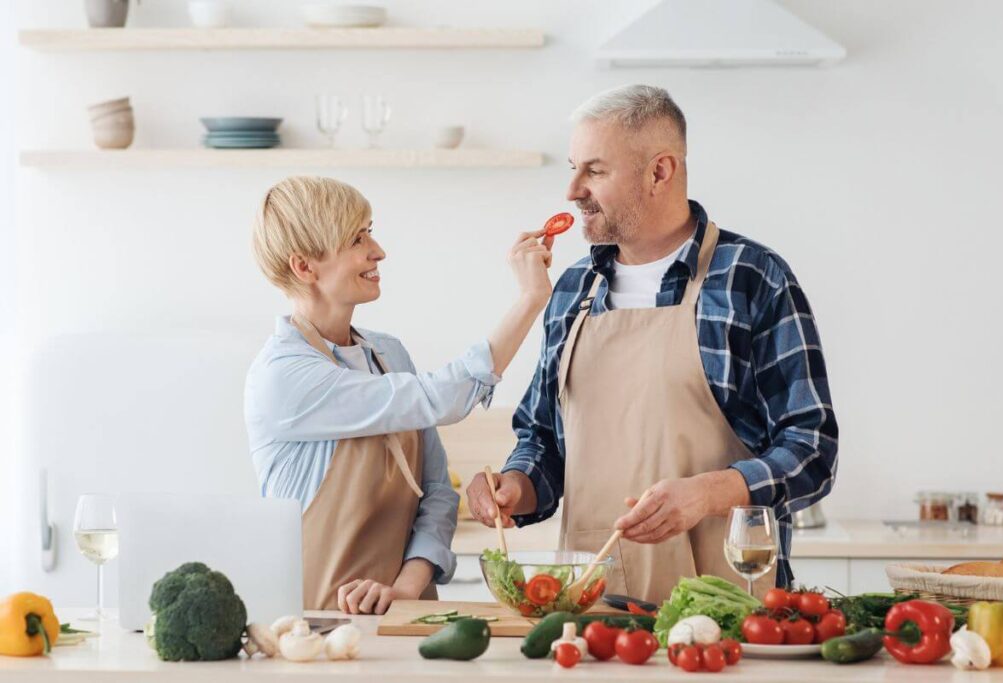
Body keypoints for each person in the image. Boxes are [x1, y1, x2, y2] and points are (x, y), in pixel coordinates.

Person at [467, 85, 838, 602]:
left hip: (728, 605)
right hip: (589, 604)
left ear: (659, 172)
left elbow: (813, 450)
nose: (572, 190)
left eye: (594, 171)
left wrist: (707, 493)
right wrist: (514, 486)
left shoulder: (751, 277)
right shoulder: (574, 288)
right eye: (573, 168)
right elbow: (543, 440)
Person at [245, 176, 553, 613]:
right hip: (312, 629)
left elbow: (438, 491)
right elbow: (439, 397)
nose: (378, 250)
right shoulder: (284, 376)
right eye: (356, 238)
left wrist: (407, 590)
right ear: (304, 267)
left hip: (409, 616)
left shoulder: (388, 354)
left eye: (370, 230)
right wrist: (529, 299)